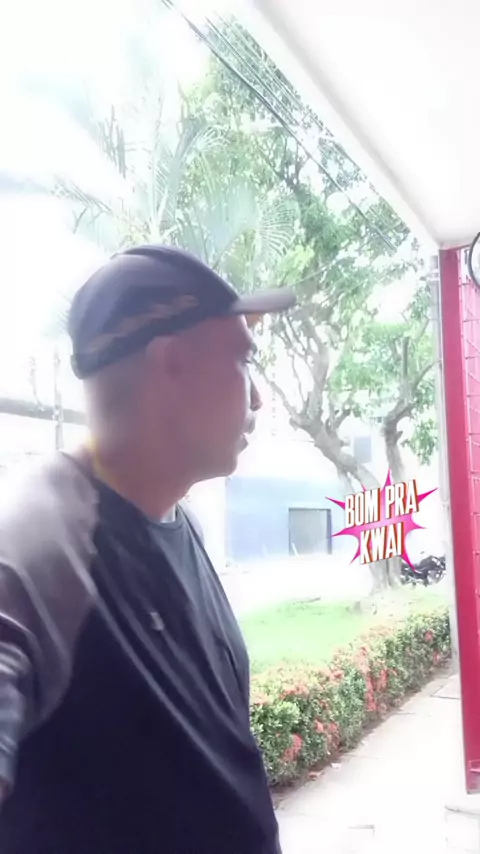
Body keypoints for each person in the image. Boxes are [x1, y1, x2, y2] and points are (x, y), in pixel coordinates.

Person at [0, 244, 295, 854]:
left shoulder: (177, 520)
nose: (259, 399)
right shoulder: (34, 544)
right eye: (243, 359)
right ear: (172, 362)